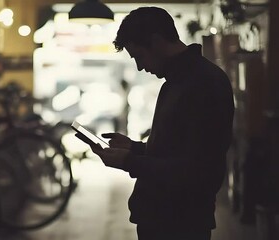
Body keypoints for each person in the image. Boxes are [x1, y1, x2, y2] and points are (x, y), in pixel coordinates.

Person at [75, 7, 234, 240]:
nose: (140, 67)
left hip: (179, 222)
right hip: (163, 217)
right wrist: (134, 148)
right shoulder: (178, 81)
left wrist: (129, 162)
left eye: (139, 55)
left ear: (157, 42)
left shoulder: (203, 84)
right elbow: (177, 149)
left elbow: (198, 170)